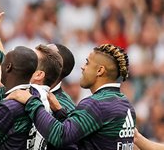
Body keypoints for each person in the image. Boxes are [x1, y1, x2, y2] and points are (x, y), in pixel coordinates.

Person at [7, 44, 136, 149]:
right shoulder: (126, 104)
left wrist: (31, 101)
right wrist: (59, 112)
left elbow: (60, 137)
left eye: (87, 63)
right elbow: (84, 137)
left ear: (99, 70)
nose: (83, 67)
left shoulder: (96, 104)